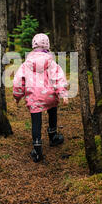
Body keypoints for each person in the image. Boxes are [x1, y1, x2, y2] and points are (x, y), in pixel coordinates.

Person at [13, 33, 69, 162]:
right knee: (52, 110)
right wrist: (63, 94)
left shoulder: (26, 63)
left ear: (33, 46)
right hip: (50, 95)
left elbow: (18, 81)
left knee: (36, 122)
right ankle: (53, 136)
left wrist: (17, 96)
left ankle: (37, 151)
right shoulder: (51, 62)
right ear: (47, 45)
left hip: (34, 98)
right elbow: (58, 78)